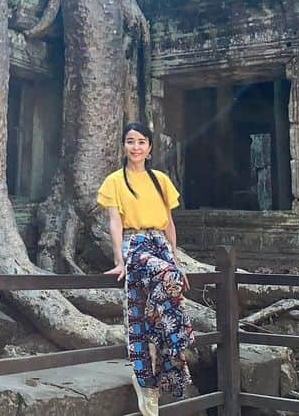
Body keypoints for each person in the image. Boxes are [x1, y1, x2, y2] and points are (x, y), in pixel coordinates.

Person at [98, 122, 194, 415]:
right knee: (153, 302)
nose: (136, 147)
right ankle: (184, 336)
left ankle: (150, 387)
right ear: (124, 146)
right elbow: (114, 222)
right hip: (135, 245)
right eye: (130, 141)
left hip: (160, 244)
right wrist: (119, 259)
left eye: (141, 142)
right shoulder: (114, 181)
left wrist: (175, 261)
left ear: (150, 148)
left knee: (150, 317)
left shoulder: (161, 180)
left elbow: (168, 223)